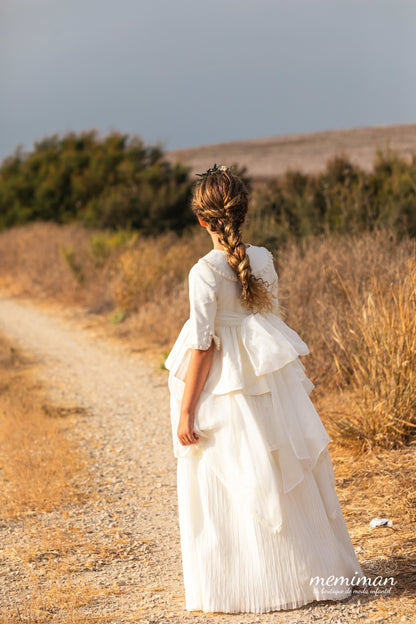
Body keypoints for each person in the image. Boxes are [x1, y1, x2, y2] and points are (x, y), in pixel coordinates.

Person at [165, 165, 364, 614]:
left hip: (225, 388)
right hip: (267, 379)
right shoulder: (264, 259)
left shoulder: (204, 272)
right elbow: (266, 318)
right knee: (278, 468)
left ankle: (246, 584)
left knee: (234, 475)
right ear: (244, 212)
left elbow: (202, 347)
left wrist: (186, 411)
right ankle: (308, 568)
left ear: (201, 219)